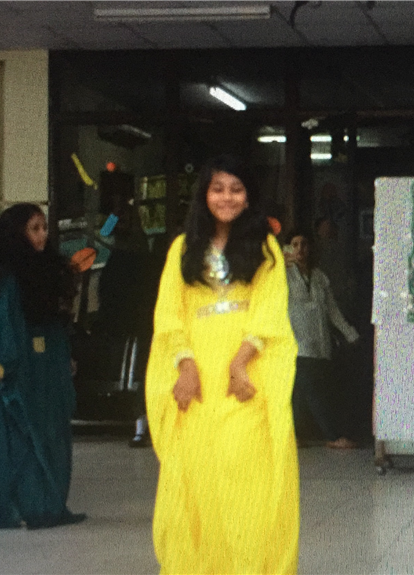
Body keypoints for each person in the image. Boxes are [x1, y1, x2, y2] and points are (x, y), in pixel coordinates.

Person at [144, 155, 299, 574]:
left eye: (236, 189)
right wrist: (185, 367)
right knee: (198, 479)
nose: (226, 198)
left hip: (247, 376)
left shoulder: (265, 246)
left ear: (248, 196)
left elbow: (269, 313)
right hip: (196, 378)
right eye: (218, 189)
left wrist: (240, 365)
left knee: (246, 480)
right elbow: (169, 316)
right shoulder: (182, 248)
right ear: (204, 194)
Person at [0, 203, 85, 529]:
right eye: (34, 228)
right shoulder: (7, 277)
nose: (42, 235)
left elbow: (48, 322)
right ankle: (26, 506)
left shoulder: (39, 270)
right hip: (0, 363)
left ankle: (39, 505)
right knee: (16, 435)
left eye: (44, 227)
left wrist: (62, 356)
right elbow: (2, 326)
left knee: (36, 431)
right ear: (16, 234)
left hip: (26, 362)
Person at [284, 229, 360, 449]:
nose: (300, 249)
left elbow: (332, 310)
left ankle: (292, 435)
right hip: (296, 340)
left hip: (319, 340)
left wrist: (350, 333)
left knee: (302, 391)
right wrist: (281, 263)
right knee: (313, 390)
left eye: (304, 244)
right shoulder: (283, 275)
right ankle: (332, 435)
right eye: (295, 244)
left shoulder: (319, 277)